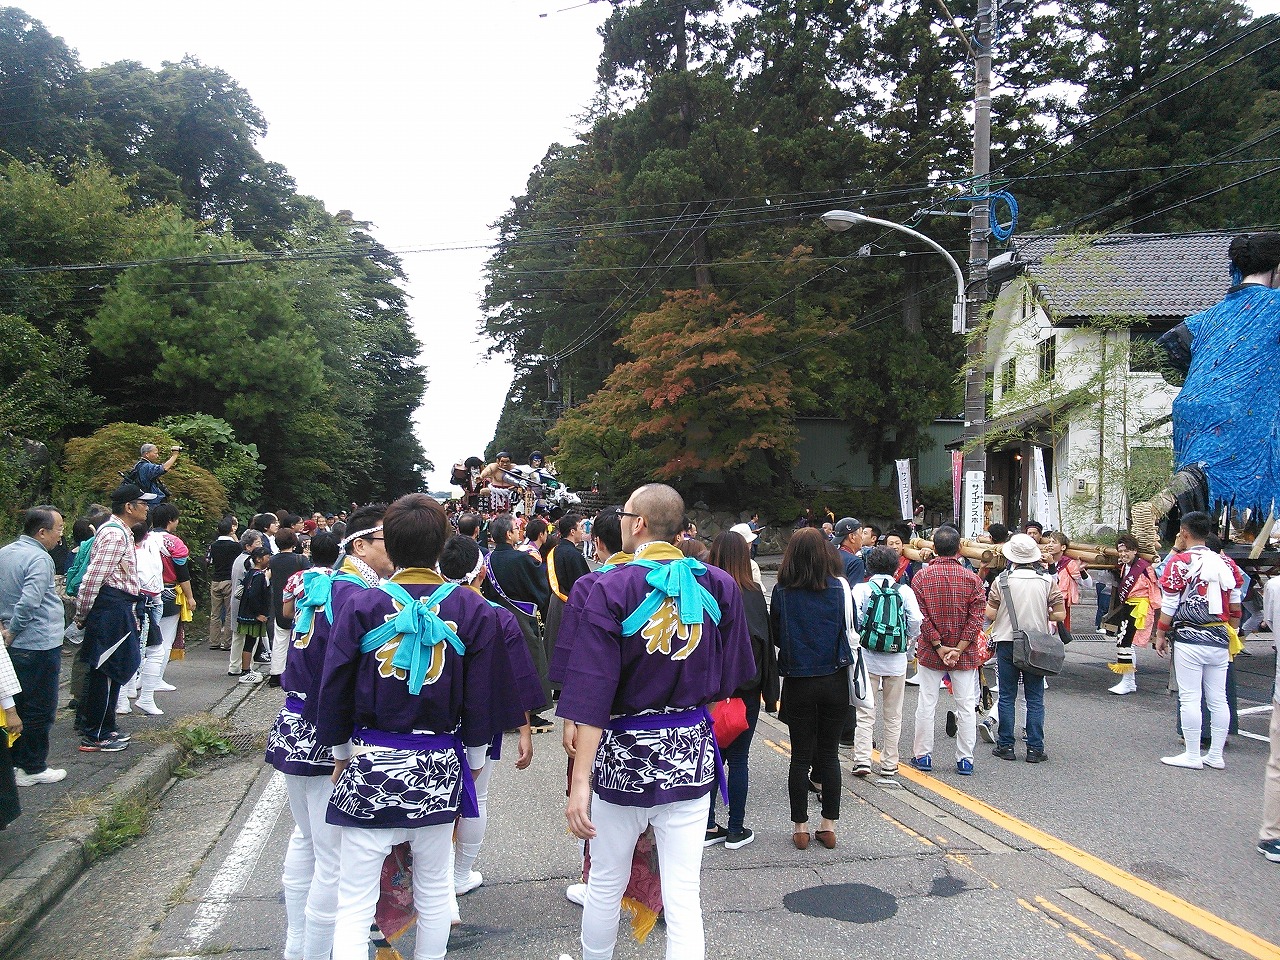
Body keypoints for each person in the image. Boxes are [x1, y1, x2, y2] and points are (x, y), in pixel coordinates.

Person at [316, 494, 525, 960]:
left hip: (370, 760)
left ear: (387, 541)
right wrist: (473, 761)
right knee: (433, 890)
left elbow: (335, 683)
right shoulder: (474, 610)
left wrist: (340, 753)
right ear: (442, 542)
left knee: (353, 901)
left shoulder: (362, 604)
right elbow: (480, 697)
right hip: (436, 762)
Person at [560, 483, 753, 960]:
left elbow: (591, 690)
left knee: (606, 879)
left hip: (621, 755)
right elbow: (734, 675)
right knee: (684, 891)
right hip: (688, 749)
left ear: (638, 523)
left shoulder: (608, 586)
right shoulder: (718, 584)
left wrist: (579, 780)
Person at [267, 531, 373, 960]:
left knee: (307, 839)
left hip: (296, 717)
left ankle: (298, 946)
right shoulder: (353, 592)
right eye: (385, 537)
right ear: (361, 545)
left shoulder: (320, 582)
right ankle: (312, 951)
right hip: (325, 727)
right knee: (332, 854)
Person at [437, 535, 539, 916]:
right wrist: (525, 728)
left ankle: (435, 877)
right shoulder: (496, 615)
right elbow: (517, 677)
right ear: (481, 570)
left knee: (437, 804)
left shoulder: (418, 606)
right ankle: (459, 875)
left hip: (434, 720)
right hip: (481, 720)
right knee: (476, 798)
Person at [771, 527, 851, 850]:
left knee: (800, 755)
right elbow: (848, 628)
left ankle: (801, 827)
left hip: (799, 679)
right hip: (834, 679)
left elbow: (777, 634)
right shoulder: (837, 589)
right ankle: (828, 825)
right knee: (830, 754)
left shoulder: (782, 591)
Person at [704, 530, 776, 851]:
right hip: (746, 690)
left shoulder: (703, 591)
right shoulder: (753, 593)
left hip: (709, 691)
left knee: (708, 758)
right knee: (739, 760)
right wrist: (769, 691)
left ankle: (706, 826)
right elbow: (764, 642)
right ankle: (735, 829)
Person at [1154, 511, 1240, 769]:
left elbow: (1169, 603)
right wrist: (1230, 632)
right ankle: (1215, 754)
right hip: (1219, 635)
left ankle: (1192, 753)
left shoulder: (1180, 562)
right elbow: (1235, 609)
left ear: (1185, 533)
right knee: (1218, 697)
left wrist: (1160, 633)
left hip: (1190, 635)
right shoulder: (1227, 564)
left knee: (1190, 696)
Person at [73, 484, 154, 751]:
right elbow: (93, 578)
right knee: (106, 670)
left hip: (120, 606)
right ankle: (96, 734)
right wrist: (82, 614)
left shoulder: (122, 532)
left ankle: (105, 728)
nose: (147, 507)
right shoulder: (114, 534)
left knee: (117, 667)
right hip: (110, 608)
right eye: (143, 503)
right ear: (129, 507)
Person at [909, 526, 987, 776]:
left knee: (927, 703)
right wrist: (960, 647)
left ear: (933, 547)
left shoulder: (921, 578)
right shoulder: (972, 579)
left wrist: (939, 646)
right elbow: (976, 619)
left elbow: (921, 617)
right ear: (960, 549)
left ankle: (923, 755)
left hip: (932, 652)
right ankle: (965, 759)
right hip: (964, 653)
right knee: (966, 705)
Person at [0, 506, 67, 784]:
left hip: (14, 641)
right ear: (42, 532)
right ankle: (33, 766)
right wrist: (14, 630)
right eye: (59, 529)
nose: (60, 536)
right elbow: (30, 601)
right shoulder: (39, 559)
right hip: (38, 641)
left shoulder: (6, 552)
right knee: (40, 706)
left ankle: (15, 763)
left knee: (17, 703)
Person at [985, 533, 1065, 763]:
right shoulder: (1048, 581)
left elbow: (990, 614)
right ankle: (1035, 749)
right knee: (1035, 697)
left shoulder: (1001, 581)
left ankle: (1006, 746)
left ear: (1012, 557)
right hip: (1037, 645)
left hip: (1007, 642)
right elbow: (1060, 613)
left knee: (1007, 695)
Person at [852, 546, 922, 780]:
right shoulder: (904, 591)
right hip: (896, 661)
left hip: (868, 658)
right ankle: (889, 763)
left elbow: (855, 619)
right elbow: (916, 620)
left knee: (864, 712)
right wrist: (907, 643)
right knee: (893, 714)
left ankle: (862, 759)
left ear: (869, 566)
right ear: (895, 568)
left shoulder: (861, 589)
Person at [482, 513, 553, 733]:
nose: (518, 531)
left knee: (505, 663)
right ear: (508, 534)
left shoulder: (487, 560)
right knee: (531, 660)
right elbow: (540, 589)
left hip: (497, 615)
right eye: (515, 528)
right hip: (523, 615)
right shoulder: (522, 559)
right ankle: (531, 711)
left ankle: (506, 710)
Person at [1102, 534, 1159, 695]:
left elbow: (1154, 590)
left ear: (1135, 551)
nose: (1123, 554)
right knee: (1124, 642)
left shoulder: (1144, 568)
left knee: (1127, 643)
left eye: (1127, 550)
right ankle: (1129, 681)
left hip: (1140, 608)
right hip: (1128, 606)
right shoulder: (1123, 567)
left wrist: (1154, 611)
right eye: (1120, 551)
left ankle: (1128, 681)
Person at [544, 513, 591, 693]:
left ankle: (555, 684)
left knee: (554, 642)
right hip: (571, 603)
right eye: (580, 528)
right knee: (571, 644)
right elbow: (584, 583)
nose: (582, 532)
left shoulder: (554, 551)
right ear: (572, 531)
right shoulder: (573, 555)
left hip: (555, 600)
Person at [268, 530, 312, 688]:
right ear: (294, 543)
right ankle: (296, 673)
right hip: (298, 604)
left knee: (280, 639)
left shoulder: (272, 560)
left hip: (279, 602)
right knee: (298, 639)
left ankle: (276, 673)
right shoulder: (301, 559)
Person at [235, 548, 273, 683]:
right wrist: (258, 614)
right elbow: (254, 595)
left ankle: (247, 669)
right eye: (267, 557)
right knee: (250, 642)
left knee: (250, 642)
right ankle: (245, 671)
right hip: (252, 615)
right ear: (258, 559)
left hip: (247, 612)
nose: (269, 559)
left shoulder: (251, 573)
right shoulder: (259, 576)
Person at [207, 516, 241, 651]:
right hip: (229, 580)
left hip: (216, 580)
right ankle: (226, 642)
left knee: (215, 613)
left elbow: (208, 561)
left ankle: (214, 641)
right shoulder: (235, 546)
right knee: (229, 612)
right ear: (231, 531)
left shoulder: (213, 545)